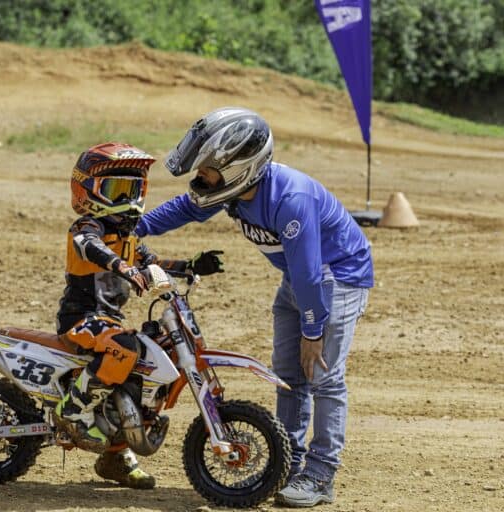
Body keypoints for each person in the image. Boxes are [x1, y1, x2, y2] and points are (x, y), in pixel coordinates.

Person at [134, 107, 373, 507]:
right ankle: (291, 463)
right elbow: (185, 209)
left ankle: (320, 475)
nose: (200, 175)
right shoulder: (233, 191)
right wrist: (131, 229)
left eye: (208, 168)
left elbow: (312, 277)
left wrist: (314, 332)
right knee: (288, 375)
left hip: (336, 279)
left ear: (239, 167)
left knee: (323, 377)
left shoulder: (290, 200)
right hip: (299, 279)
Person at [53, 142, 224, 490]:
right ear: (88, 191)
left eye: (133, 190)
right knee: (126, 347)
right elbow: (92, 248)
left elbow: (154, 263)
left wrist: (190, 266)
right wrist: (124, 268)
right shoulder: (87, 228)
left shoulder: (128, 235)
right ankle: (73, 410)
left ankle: (115, 455)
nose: (127, 198)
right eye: (117, 190)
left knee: (143, 372)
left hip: (109, 322)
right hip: (82, 318)